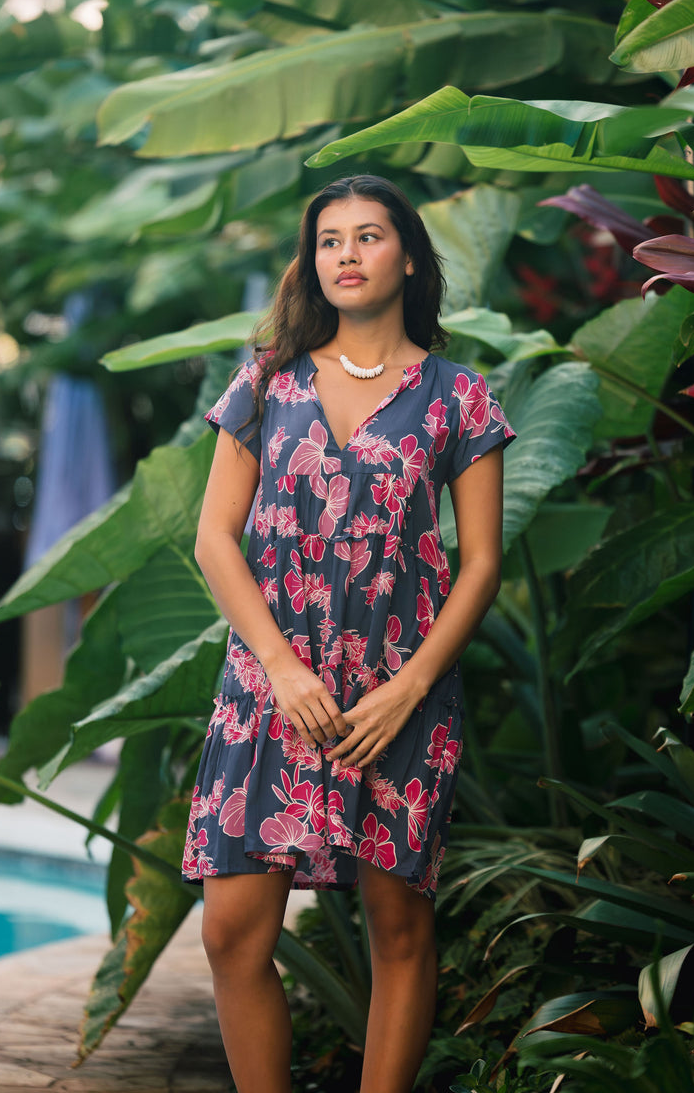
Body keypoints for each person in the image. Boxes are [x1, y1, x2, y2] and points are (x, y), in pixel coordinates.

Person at [182, 174, 515, 1093]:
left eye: (367, 237)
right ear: (311, 260)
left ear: (406, 256)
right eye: (330, 240)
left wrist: (408, 689)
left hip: (396, 693)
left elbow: (481, 561)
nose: (347, 255)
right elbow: (215, 537)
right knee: (230, 932)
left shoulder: (460, 397)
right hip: (271, 688)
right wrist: (283, 670)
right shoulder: (264, 382)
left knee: (400, 931)